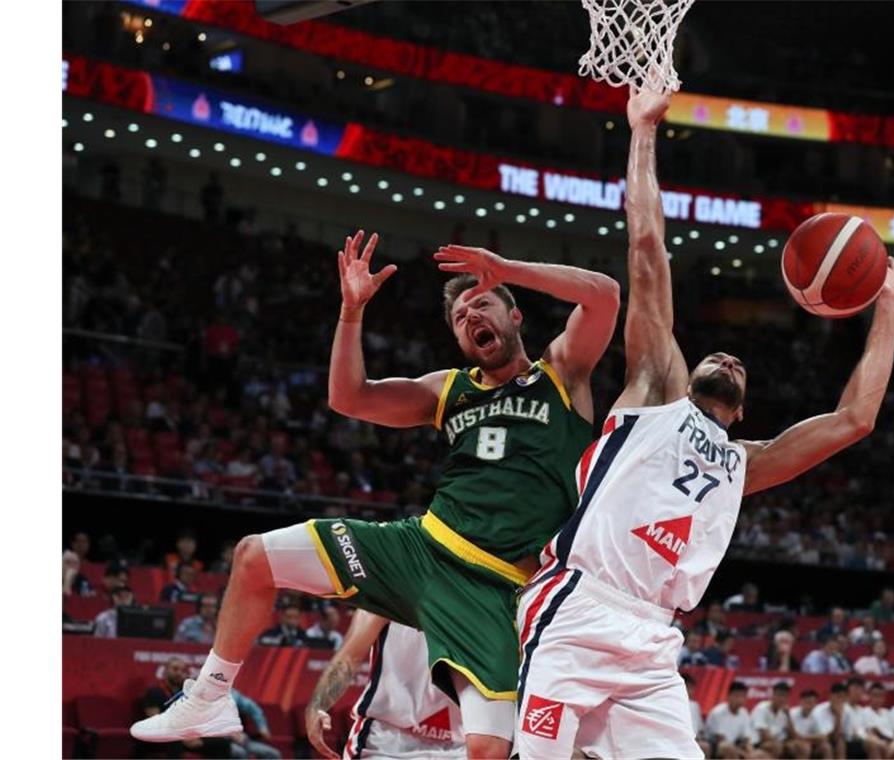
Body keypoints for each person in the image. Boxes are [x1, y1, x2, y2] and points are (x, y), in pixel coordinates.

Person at [132, 221, 620, 760]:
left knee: (487, 750)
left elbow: (604, 296)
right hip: (419, 548)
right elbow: (348, 397)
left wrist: (505, 270)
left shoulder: (563, 373)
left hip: (495, 584)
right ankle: (209, 695)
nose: (471, 318)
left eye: (482, 306)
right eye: (460, 318)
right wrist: (351, 312)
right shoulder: (449, 389)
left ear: (515, 315)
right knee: (252, 556)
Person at [512, 87, 894, 759]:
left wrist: (888, 303)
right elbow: (645, 247)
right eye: (717, 355)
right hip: (577, 606)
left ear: (742, 409)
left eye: (739, 365)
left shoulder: (743, 463)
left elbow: (854, 419)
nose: (726, 357)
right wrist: (642, 132)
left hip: (652, 640)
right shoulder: (654, 390)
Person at [305, 609, 464, 759]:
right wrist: (318, 704)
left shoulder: (480, 598)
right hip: (386, 741)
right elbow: (348, 659)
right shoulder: (386, 593)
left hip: (463, 745)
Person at [705, 682, 763, 759]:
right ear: (728, 696)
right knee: (727, 747)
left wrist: (752, 754)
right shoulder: (718, 712)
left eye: (743, 696)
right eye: (737, 696)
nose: (740, 699)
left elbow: (746, 739)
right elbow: (721, 740)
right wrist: (744, 754)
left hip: (734, 745)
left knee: (759, 754)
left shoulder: (744, 712)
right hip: (715, 746)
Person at [751, 682, 806, 759]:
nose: (782, 699)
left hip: (778, 742)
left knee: (801, 746)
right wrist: (781, 743)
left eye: (785, 696)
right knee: (776, 746)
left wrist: (788, 716)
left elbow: (793, 736)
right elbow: (764, 736)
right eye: (779, 695)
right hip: (759, 743)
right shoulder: (761, 708)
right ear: (773, 695)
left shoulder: (784, 712)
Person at [864, 682, 894, 760]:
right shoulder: (865, 712)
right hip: (882, 741)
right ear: (869, 696)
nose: (878, 699)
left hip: (893, 741)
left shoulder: (887, 712)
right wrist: (889, 740)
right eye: (875, 695)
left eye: (880, 696)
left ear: (884, 698)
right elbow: (872, 731)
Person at [811, 683, 852, 760]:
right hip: (816, 743)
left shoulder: (847, 710)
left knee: (841, 744)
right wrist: (838, 717)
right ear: (830, 696)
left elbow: (847, 736)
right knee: (827, 747)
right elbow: (826, 737)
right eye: (838, 697)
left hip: (836, 741)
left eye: (843, 698)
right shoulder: (818, 711)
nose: (840, 700)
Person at [790, 690, 832, 760]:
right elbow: (794, 736)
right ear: (800, 702)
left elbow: (823, 737)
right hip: (792, 742)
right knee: (804, 747)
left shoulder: (817, 715)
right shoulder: (792, 714)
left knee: (826, 747)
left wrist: (804, 737)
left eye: (812, 703)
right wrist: (809, 738)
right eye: (807, 702)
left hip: (810, 742)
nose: (809, 705)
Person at [683, 673, 712, 759]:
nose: (690, 691)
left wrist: (701, 737)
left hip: (695, 739)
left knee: (705, 746)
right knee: (704, 747)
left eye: (692, 688)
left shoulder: (695, 705)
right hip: (681, 739)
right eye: (688, 687)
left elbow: (700, 728)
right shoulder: (674, 703)